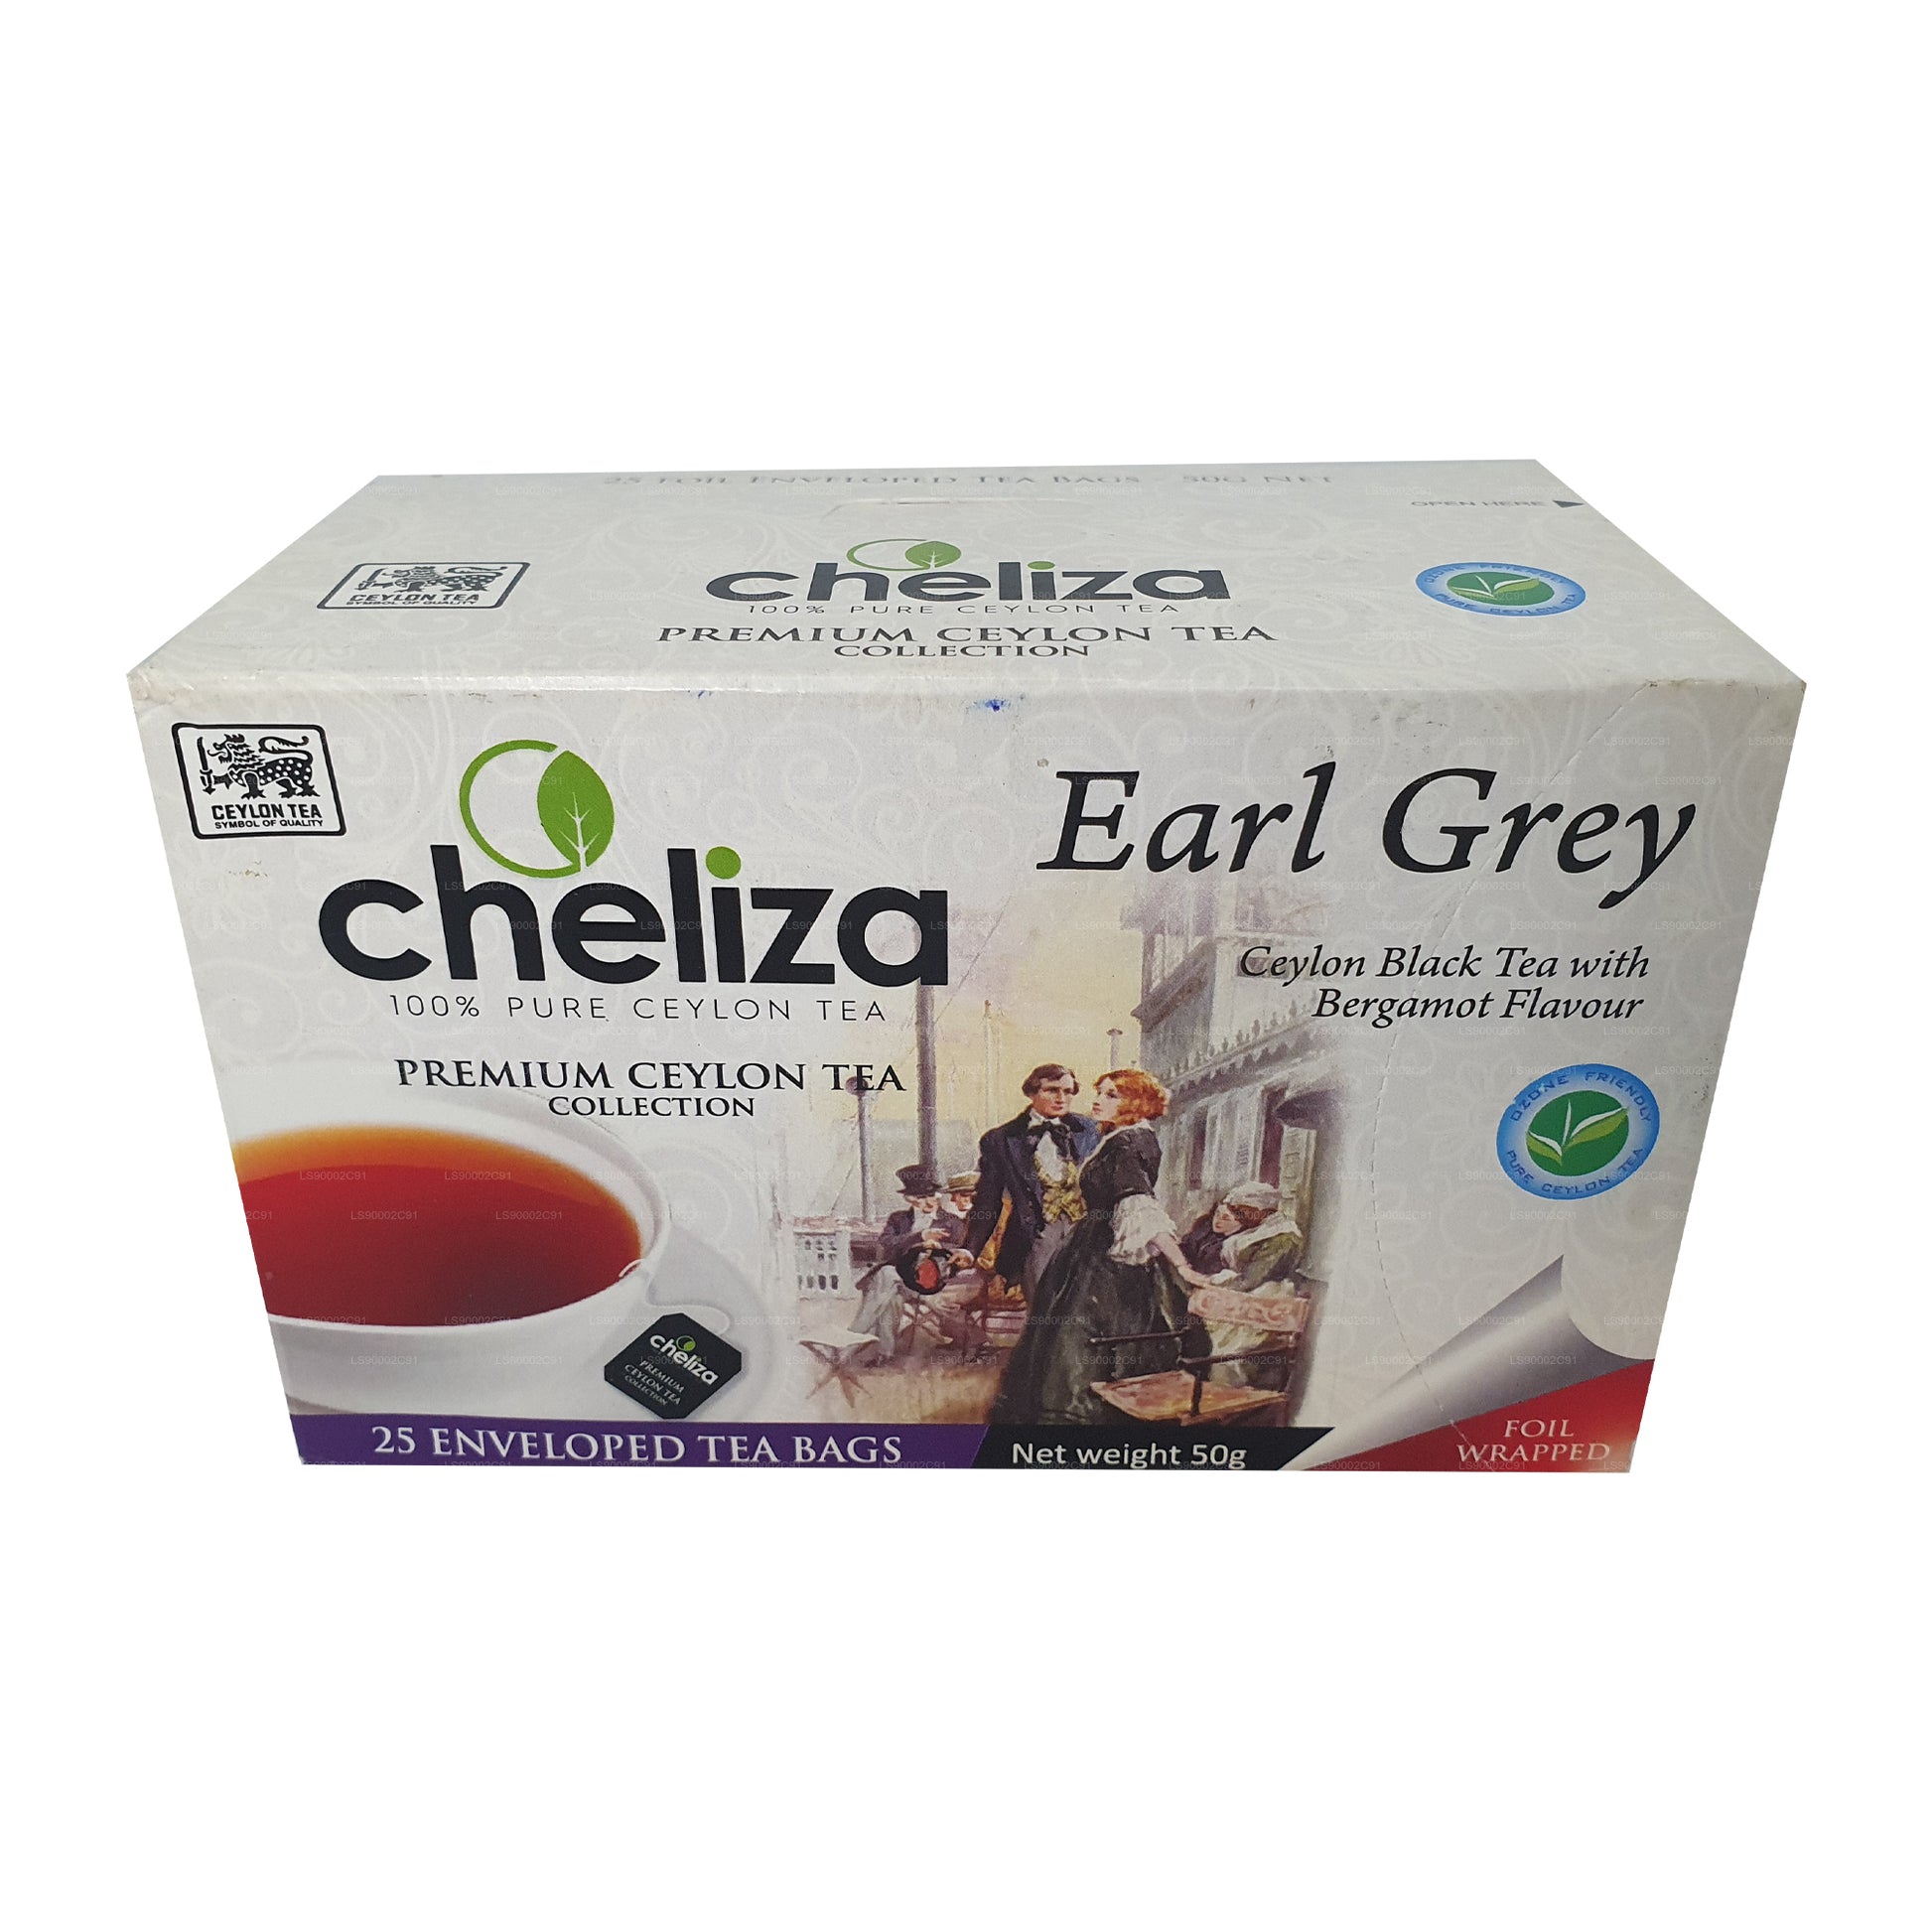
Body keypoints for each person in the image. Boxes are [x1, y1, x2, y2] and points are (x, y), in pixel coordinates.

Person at [988, 1068, 1217, 1426]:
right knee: (1069, 1335)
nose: (1097, 1100)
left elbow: (1138, 1205)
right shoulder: (1119, 1137)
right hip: (1089, 1246)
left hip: (1106, 1256)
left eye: (1111, 1095)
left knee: (1084, 1335)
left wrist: (1182, 1265)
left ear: (1135, 1103)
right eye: (1099, 1092)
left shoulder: (1129, 1143)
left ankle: (1080, 1417)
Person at [961, 1064, 1100, 1303]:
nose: (1061, 1098)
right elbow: (988, 1201)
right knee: (1044, 1310)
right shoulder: (1001, 1139)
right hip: (1037, 1237)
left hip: (1087, 1234)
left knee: (1086, 1308)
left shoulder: (1091, 1130)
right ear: (1032, 1092)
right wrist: (969, 1248)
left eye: (1068, 1092)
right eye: (1052, 1090)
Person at [852, 1165, 963, 1362]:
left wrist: (935, 1247)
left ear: (938, 1195)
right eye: (920, 1197)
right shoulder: (898, 1219)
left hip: (932, 1282)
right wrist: (919, 1237)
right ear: (909, 1199)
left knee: (886, 1275)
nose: (928, 1202)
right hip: (902, 1282)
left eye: (931, 1195)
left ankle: (853, 1336)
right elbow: (886, 1245)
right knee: (892, 1294)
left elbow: (959, 1252)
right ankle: (885, 1353)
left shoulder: (952, 1222)